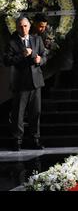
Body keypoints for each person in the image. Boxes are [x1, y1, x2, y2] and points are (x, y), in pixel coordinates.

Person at [4, 16, 47, 151]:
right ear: (17, 27)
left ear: (29, 26)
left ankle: (35, 140)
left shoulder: (37, 39)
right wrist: (22, 55)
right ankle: (17, 141)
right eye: (21, 26)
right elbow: (6, 60)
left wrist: (39, 59)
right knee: (18, 114)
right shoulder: (12, 42)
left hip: (36, 82)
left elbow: (44, 55)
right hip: (20, 83)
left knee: (36, 113)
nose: (23, 29)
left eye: (25, 26)